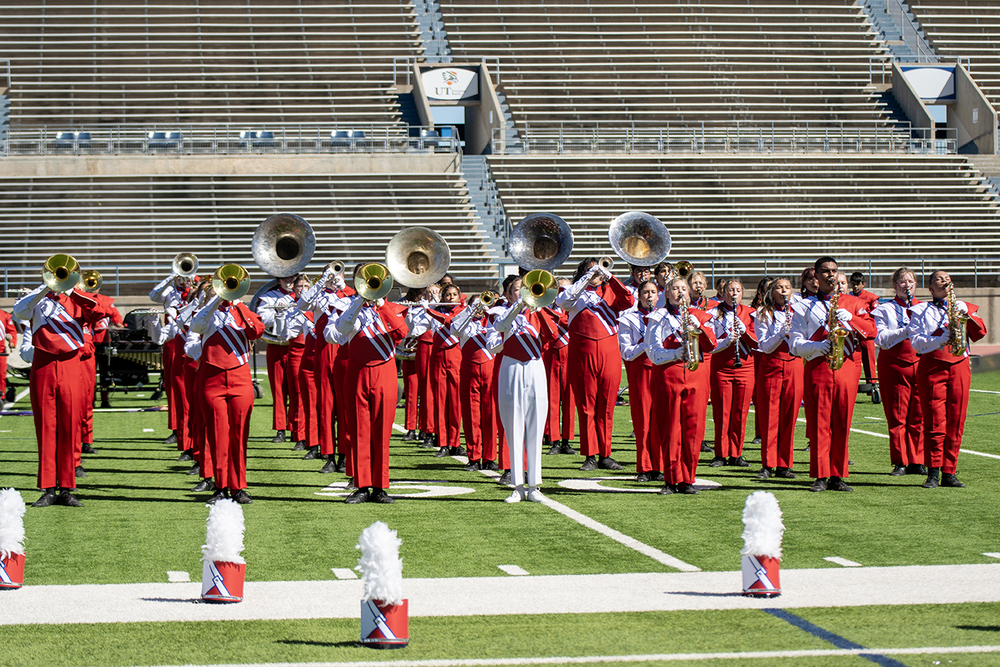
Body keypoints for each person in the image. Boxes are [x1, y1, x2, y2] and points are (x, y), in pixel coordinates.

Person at [14, 279, 110, 507]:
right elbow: (19, 311)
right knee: (45, 428)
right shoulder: (38, 300)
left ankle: (67, 488)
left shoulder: (79, 300)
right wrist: (45, 288)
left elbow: (99, 312)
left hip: (71, 364)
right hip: (43, 364)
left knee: (69, 426)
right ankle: (47, 488)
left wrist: (73, 291)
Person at [788, 257, 875, 492]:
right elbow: (794, 345)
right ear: (816, 276)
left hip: (846, 367)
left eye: (834, 271)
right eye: (825, 271)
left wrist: (853, 319)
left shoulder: (853, 302)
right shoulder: (803, 306)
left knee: (842, 422)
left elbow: (871, 332)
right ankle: (819, 475)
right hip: (818, 367)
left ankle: (838, 475)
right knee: (819, 423)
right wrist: (816, 347)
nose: (830, 275)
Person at [907, 270, 987, 488]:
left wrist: (967, 316)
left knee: (956, 419)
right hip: (932, 366)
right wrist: (940, 340)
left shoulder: (963, 307)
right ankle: (933, 471)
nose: (945, 280)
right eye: (939, 279)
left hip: (960, 365)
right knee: (934, 419)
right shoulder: (920, 310)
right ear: (931, 288)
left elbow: (980, 333)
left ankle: (949, 472)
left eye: (948, 278)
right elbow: (916, 342)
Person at [556, 257, 635, 471]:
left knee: (607, 406)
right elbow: (562, 303)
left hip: (609, 352)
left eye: (598, 271)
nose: (595, 274)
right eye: (590, 270)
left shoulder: (611, 292)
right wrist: (585, 279)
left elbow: (629, 300)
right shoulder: (573, 292)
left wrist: (609, 276)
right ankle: (590, 455)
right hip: (582, 353)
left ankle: (605, 454)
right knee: (586, 405)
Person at [190, 280, 265, 504]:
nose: (223, 293)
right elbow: (196, 326)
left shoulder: (242, 312)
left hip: (240, 377)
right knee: (217, 434)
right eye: (217, 291)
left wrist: (239, 305)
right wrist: (214, 302)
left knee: (239, 434)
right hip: (212, 378)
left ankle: (238, 486)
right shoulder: (206, 314)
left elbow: (257, 331)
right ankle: (221, 486)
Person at [334, 284, 409, 504]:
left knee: (382, 431)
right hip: (357, 371)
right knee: (359, 430)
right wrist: (358, 301)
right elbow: (342, 327)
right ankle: (361, 485)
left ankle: (379, 487)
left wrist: (382, 306)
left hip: (385, 371)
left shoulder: (394, 309)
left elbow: (401, 333)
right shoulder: (352, 307)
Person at [646, 277, 717, 495]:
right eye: (674, 289)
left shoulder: (701, 316)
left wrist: (699, 327)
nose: (679, 292)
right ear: (666, 294)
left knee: (694, 430)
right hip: (668, 375)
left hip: (696, 375)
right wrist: (675, 353)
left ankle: (688, 478)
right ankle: (670, 478)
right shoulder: (657, 317)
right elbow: (652, 351)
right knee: (670, 429)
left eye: (683, 289)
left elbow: (712, 345)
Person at [492, 275, 560, 503]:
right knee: (513, 426)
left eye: (526, 289)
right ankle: (517, 486)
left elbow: (554, 334)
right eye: (517, 290)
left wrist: (537, 309)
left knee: (536, 424)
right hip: (510, 366)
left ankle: (535, 486)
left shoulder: (541, 314)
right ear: (509, 294)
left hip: (534, 365)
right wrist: (518, 307)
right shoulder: (501, 312)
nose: (522, 293)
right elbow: (499, 328)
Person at [871, 267, 925, 477]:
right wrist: (906, 330)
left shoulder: (924, 307)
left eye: (910, 281)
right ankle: (900, 461)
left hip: (920, 364)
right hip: (894, 365)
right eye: (902, 282)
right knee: (897, 415)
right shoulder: (884, 309)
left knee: (919, 415)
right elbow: (881, 339)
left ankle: (917, 460)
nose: (907, 285)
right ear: (894, 285)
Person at [752, 278, 801, 480]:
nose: (783, 291)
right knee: (770, 416)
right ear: (772, 293)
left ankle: (785, 464)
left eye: (787, 288)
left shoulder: (798, 312)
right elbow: (764, 346)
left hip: (794, 365)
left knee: (789, 417)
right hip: (771, 365)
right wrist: (781, 333)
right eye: (779, 288)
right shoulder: (763, 313)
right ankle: (768, 463)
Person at [706, 279, 757, 467]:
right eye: (730, 290)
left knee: (740, 411)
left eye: (738, 290)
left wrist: (745, 333)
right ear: (723, 292)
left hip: (745, 367)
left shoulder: (751, 313)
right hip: (721, 367)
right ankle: (720, 454)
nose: (734, 293)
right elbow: (709, 344)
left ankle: (736, 453)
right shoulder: (712, 313)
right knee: (722, 411)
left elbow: (759, 343)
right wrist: (726, 341)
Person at [453, 293, 502, 471]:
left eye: (483, 304)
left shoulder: (492, 320)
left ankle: (489, 457)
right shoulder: (464, 322)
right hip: (469, 370)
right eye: (476, 304)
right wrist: (471, 310)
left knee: (490, 415)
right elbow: (454, 329)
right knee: (471, 414)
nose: (481, 308)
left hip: (490, 370)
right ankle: (474, 457)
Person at [618, 280, 661, 482]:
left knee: (661, 421)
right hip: (641, 374)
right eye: (646, 292)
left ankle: (659, 466)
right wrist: (647, 342)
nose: (649, 296)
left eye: (653, 292)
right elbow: (626, 352)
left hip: (662, 372)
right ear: (639, 296)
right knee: (643, 421)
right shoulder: (629, 320)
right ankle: (644, 467)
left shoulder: (664, 318)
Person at [256, 274, 301, 444]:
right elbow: (262, 319)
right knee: (278, 389)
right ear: (278, 280)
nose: (290, 282)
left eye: (292, 278)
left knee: (298, 391)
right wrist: (277, 311)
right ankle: (281, 429)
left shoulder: (302, 297)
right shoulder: (269, 296)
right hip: (276, 346)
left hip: (297, 346)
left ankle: (297, 430)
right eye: (285, 279)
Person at [149, 272, 191, 446]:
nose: (184, 278)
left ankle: (189, 429)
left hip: (189, 339)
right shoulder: (169, 290)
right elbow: (153, 296)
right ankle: (176, 429)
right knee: (172, 387)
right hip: (171, 341)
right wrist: (170, 278)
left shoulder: (196, 291)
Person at [426, 284, 467, 458]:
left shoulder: (464, 311)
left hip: (456, 356)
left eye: (453, 295)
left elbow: (452, 321)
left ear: (459, 296)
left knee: (455, 402)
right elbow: (415, 328)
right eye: (447, 295)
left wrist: (430, 310)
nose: (450, 298)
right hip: (438, 357)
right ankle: (442, 442)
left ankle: (455, 442)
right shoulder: (434, 311)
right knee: (440, 401)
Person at [542, 277, 576, 456]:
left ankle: (567, 440)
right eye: (558, 289)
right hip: (551, 354)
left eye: (566, 290)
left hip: (570, 354)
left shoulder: (574, 307)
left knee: (569, 400)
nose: (561, 292)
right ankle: (554, 439)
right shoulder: (544, 307)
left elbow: (567, 321)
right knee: (552, 399)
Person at [850, 272, 880, 392]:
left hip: (866, 334)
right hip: (852, 333)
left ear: (863, 284)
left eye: (858, 284)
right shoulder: (848, 297)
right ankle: (851, 384)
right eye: (853, 284)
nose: (855, 287)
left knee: (869, 360)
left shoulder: (871, 298)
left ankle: (872, 385)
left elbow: (876, 316)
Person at [0, 307, 17, 404]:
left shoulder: (4, 315)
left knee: (1, 375)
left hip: (1, 351)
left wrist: (12, 341)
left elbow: (11, 331)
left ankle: (2, 396)